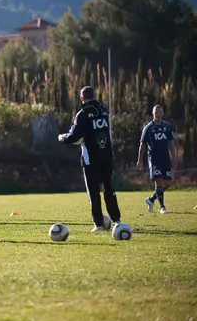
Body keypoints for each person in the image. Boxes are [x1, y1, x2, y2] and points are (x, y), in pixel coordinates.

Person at [58, 86, 123, 231]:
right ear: (95, 96)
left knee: (93, 192)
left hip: (91, 158)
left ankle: (98, 224)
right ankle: (117, 220)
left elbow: (75, 136)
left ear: (81, 98)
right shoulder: (103, 109)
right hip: (106, 154)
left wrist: (63, 138)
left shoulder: (83, 113)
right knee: (108, 189)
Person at [137, 105, 177, 214]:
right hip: (154, 159)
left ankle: (151, 200)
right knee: (158, 181)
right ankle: (162, 207)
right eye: (156, 112)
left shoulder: (167, 127)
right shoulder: (148, 128)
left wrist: (174, 156)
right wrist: (139, 160)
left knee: (168, 182)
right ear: (152, 113)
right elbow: (142, 145)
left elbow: (171, 143)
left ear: (162, 113)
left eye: (160, 111)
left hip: (165, 158)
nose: (158, 114)